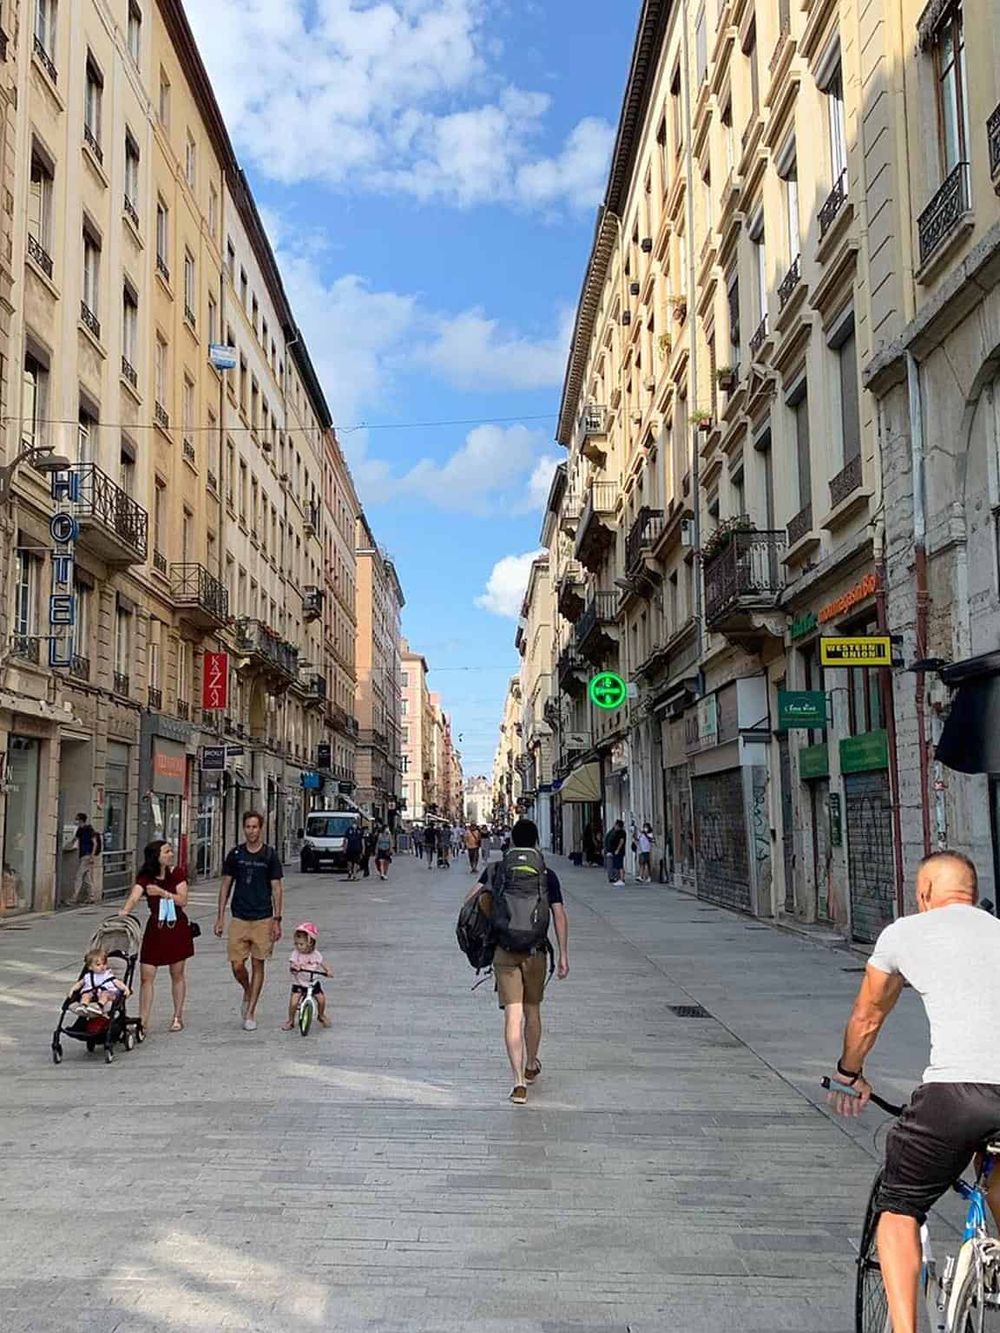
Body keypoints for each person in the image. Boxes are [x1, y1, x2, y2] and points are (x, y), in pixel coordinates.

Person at [828, 851, 1000, 1333]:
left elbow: (868, 1016)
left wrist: (849, 1072)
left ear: (924, 894)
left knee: (900, 1206)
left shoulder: (905, 932)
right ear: (973, 894)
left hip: (957, 1092)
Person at [466, 818, 569, 1105]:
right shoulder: (546, 875)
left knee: (513, 1016)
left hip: (504, 950)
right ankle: (532, 1063)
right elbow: (559, 915)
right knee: (532, 1011)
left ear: (511, 840)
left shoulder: (496, 870)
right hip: (536, 950)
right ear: (536, 842)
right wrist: (563, 955)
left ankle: (518, 1083)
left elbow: (470, 900)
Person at [214, 811, 283, 1032]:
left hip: (263, 917)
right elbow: (226, 885)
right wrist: (220, 917)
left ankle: (251, 1011)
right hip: (240, 917)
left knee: (258, 963)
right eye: (248, 827)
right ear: (244, 828)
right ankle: (247, 988)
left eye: (255, 827)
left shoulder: (270, 855)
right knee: (236, 965)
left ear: (260, 828)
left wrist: (277, 919)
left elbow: (276, 888)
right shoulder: (235, 855)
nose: (251, 831)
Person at [120, 839, 195, 1033]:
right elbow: (135, 895)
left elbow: (183, 900)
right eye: (167, 851)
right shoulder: (146, 876)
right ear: (157, 857)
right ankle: (143, 1020)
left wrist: (162, 893)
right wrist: (125, 912)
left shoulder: (177, 873)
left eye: (170, 850)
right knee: (147, 975)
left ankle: (178, 1016)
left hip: (176, 927)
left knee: (176, 974)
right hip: (156, 927)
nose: (171, 854)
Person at [282, 922, 332, 1030]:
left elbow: (323, 963)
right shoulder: (296, 954)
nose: (298, 946)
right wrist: (294, 968)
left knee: (321, 999)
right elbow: (292, 964)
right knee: (294, 1002)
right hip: (299, 982)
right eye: (296, 944)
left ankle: (321, 1015)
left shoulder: (316, 954)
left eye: (301, 944)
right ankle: (291, 1020)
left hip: (313, 982)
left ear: (310, 943)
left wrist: (328, 970)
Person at [68, 948, 129, 1015]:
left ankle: (99, 1006)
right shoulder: (88, 976)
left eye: (104, 964)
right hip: (93, 995)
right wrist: (72, 989)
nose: (102, 966)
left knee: (104, 994)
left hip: (109, 994)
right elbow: (79, 984)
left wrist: (125, 989)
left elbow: (118, 983)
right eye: (98, 965)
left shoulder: (107, 974)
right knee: (85, 994)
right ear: (90, 967)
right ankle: (83, 1006)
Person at [71, 813, 102, 905]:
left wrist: (92, 856)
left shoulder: (89, 829)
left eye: (76, 819)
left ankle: (74, 897)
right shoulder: (80, 830)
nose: (75, 821)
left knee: (78, 876)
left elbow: (95, 843)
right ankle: (91, 896)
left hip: (87, 856)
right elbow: (74, 840)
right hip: (83, 856)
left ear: (80, 820)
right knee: (87, 878)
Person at [604, 820, 627, 885]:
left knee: (620, 865)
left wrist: (617, 850)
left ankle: (621, 879)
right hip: (614, 851)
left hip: (619, 852)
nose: (615, 826)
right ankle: (619, 878)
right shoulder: (613, 831)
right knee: (617, 865)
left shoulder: (621, 832)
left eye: (616, 825)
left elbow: (621, 842)